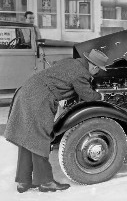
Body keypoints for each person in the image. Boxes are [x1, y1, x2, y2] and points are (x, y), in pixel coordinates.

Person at [4, 49, 109, 193]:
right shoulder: (81, 72)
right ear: (94, 66)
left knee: (27, 139)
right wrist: (101, 97)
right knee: (39, 139)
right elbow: (87, 96)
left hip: (27, 91)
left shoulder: (72, 63)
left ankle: (24, 181)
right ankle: (45, 182)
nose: (97, 73)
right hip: (39, 98)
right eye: (98, 70)